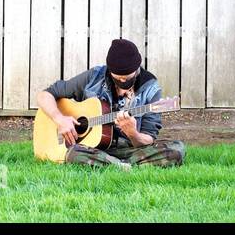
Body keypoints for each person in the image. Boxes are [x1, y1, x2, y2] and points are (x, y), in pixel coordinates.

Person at [35, 38, 185, 169]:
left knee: (176, 150)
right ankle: (122, 164)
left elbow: (148, 139)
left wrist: (133, 133)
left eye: (127, 77)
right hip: (90, 147)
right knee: (74, 152)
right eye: (118, 77)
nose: (122, 81)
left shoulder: (150, 88)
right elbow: (45, 95)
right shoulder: (94, 77)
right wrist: (59, 119)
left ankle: (111, 164)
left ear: (137, 68)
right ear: (110, 70)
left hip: (127, 148)